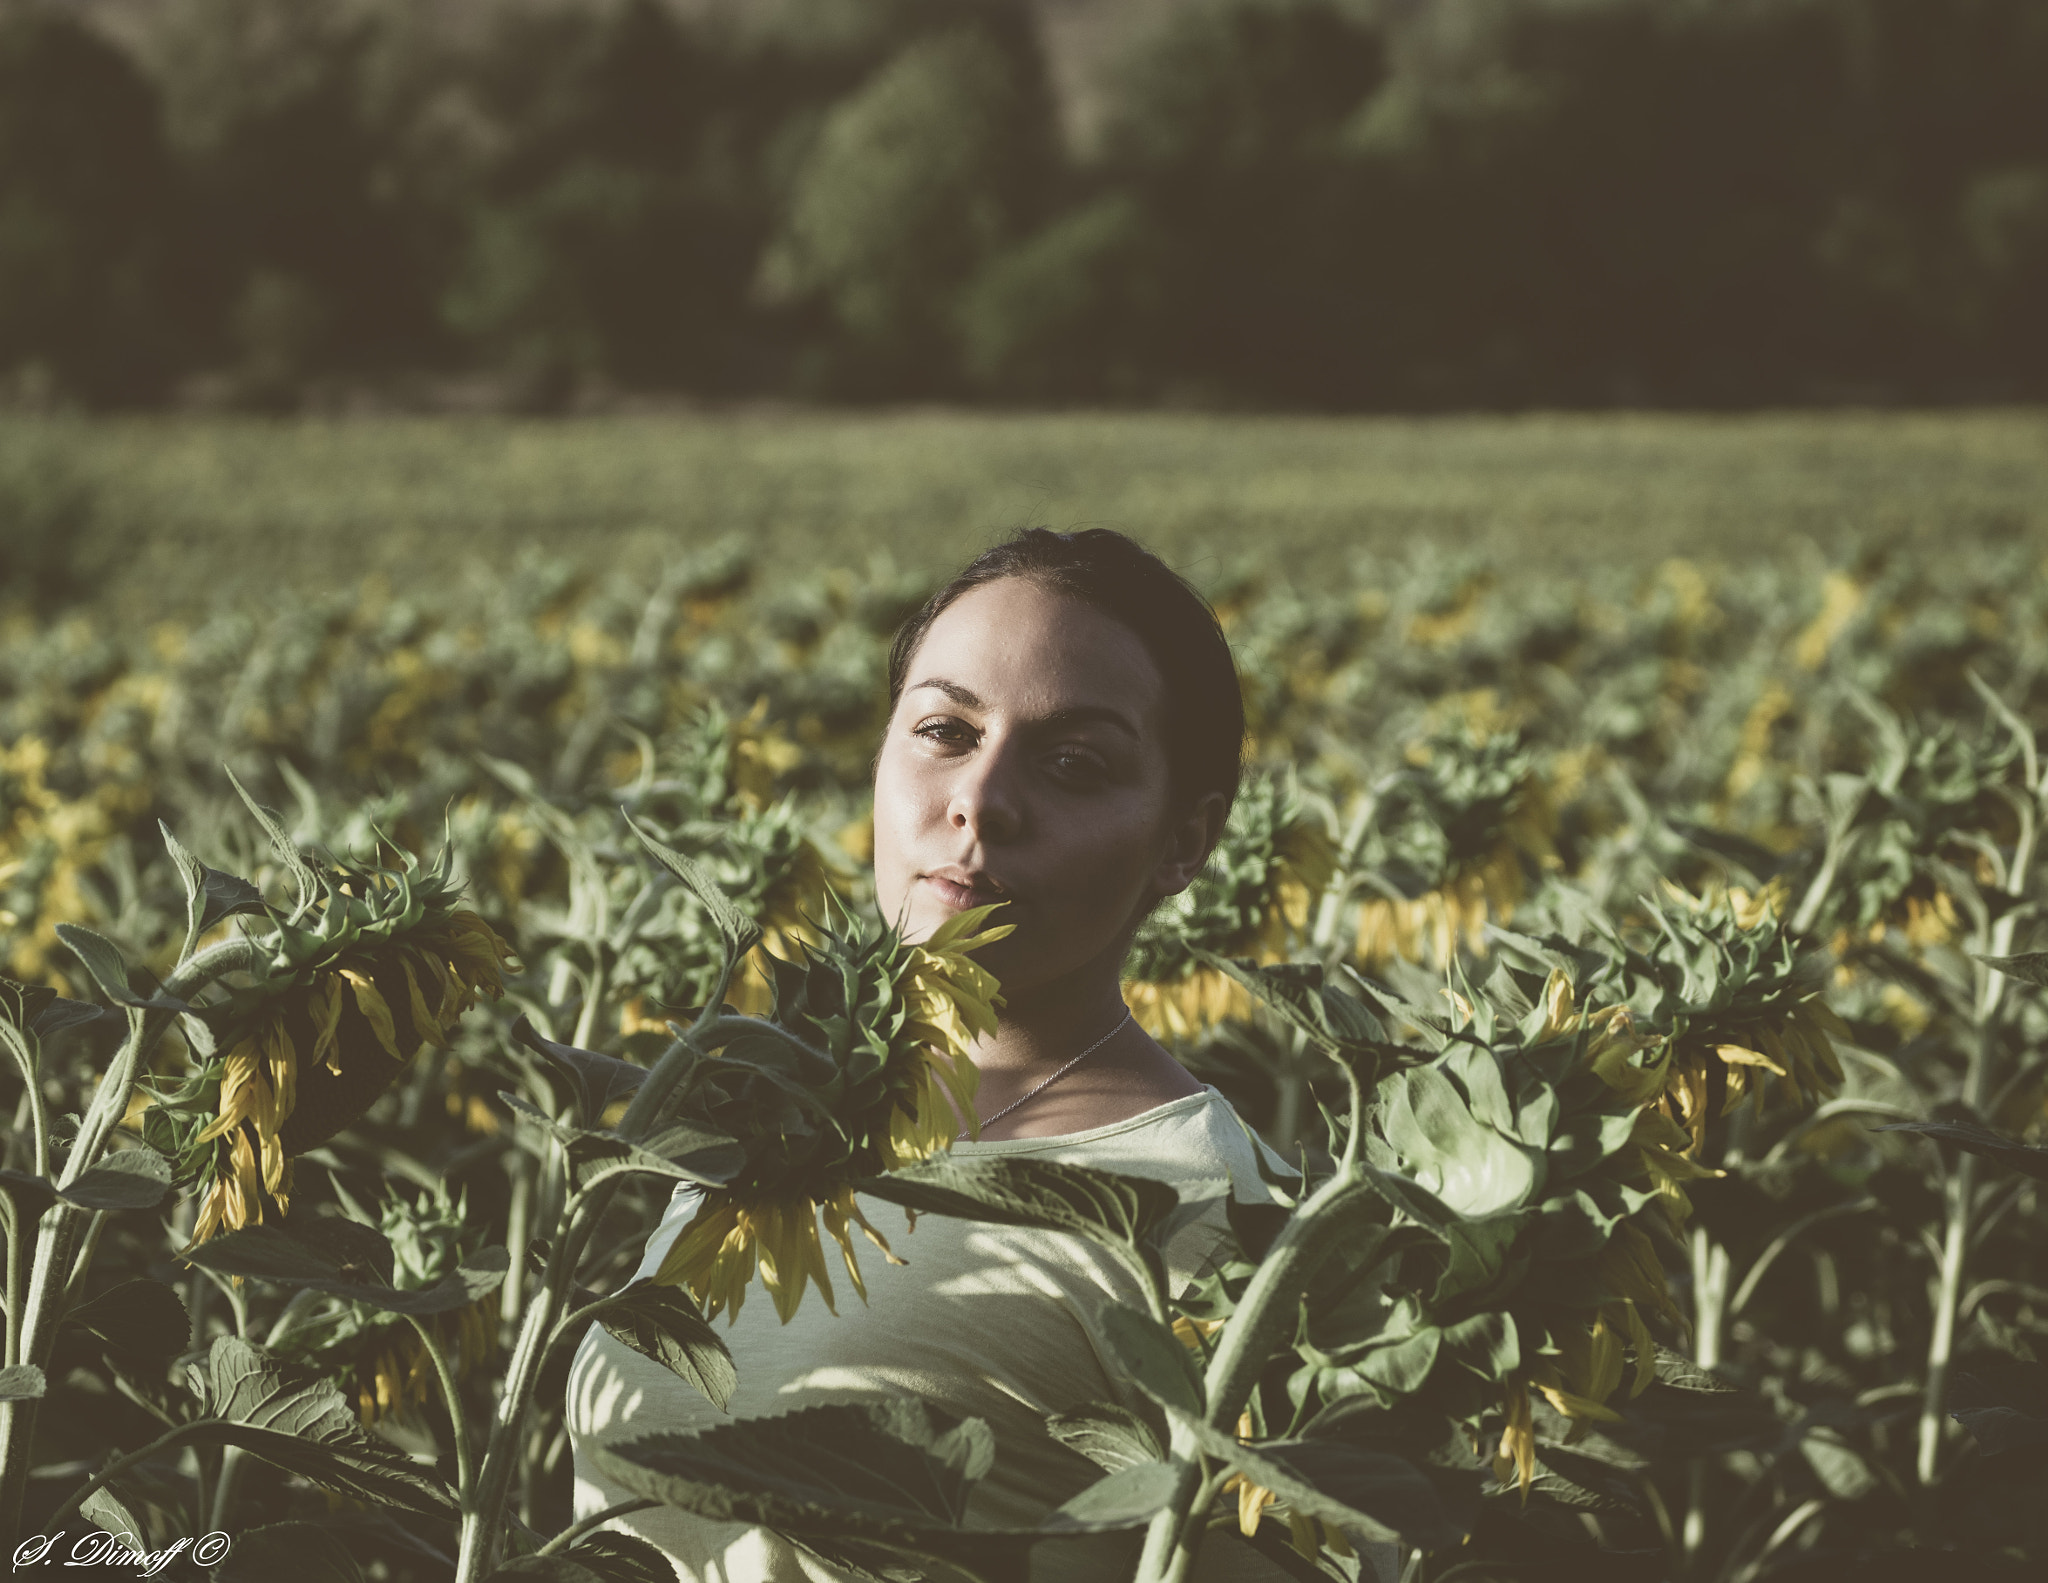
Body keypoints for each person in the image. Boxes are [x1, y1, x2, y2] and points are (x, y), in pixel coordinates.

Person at [566, 529, 1313, 1582]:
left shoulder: (1213, 1209)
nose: (981, 799)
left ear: (1183, 841)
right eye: (942, 729)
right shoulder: (766, 1106)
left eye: (1074, 763)